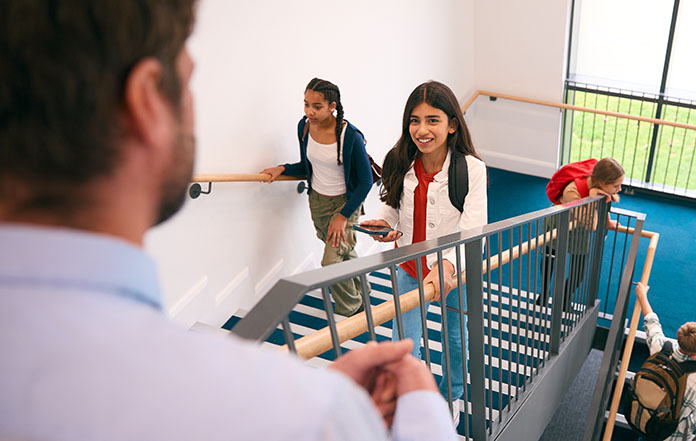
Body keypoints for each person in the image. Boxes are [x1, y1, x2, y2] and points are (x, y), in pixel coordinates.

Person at [0, 1, 455, 440]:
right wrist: (413, 403)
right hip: (319, 208)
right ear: (147, 102)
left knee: (338, 255)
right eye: (188, 83)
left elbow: (357, 181)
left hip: (337, 206)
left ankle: (352, 306)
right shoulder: (302, 412)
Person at [359, 81, 488, 424]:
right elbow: (393, 207)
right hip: (409, 269)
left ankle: (452, 395)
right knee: (404, 344)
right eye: (415, 120)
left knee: (455, 343)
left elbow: (473, 229)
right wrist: (384, 224)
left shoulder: (471, 170)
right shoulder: (399, 159)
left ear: (452, 124)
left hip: (451, 273)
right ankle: (408, 402)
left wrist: (445, 264)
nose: (422, 129)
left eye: (433, 120)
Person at [260, 78, 374, 316]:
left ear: (332, 105)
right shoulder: (304, 127)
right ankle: (363, 288)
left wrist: (343, 216)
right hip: (318, 202)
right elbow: (307, 165)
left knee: (330, 263)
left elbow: (365, 182)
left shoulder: (349, 136)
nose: (309, 111)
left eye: (317, 106)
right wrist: (282, 168)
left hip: (345, 203)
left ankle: (352, 310)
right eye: (306, 104)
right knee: (342, 251)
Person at [536, 157, 624, 307]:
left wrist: (608, 222)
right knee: (550, 259)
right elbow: (592, 226)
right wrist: (593, 196)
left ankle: (564, 298)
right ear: (602, 183)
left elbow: (606, 202)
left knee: (579, 271)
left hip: (579, 230)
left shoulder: (600, 184)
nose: (620, 189)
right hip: (558, 225)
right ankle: (544, 292)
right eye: (616, 185)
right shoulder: (572, 191)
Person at [635, 283, 696, 441]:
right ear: (694, 355)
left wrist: (642, 294)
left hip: (646, 421)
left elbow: (651, 321)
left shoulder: (660, 348)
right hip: (672, 435)